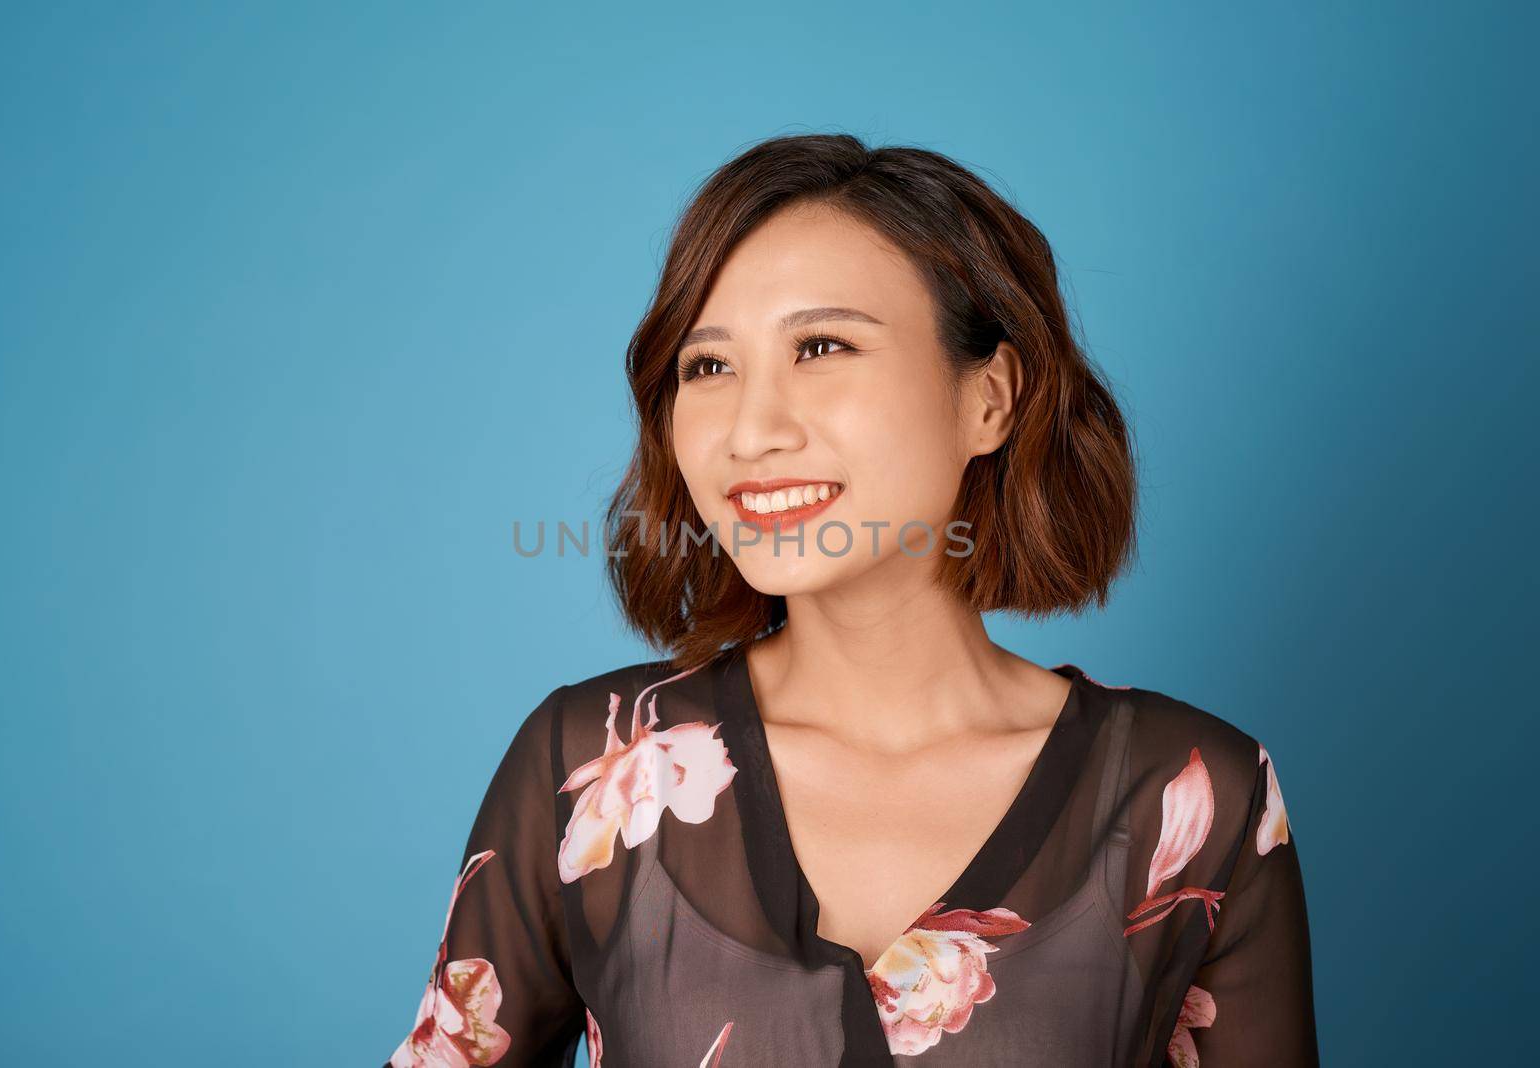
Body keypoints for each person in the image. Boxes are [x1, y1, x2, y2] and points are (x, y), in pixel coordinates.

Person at [383, 133, 1318, 1067]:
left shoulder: (1195, 798)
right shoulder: (588, 768)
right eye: (708, 367)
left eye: (822, 347)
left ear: (990, 398)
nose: (751, 431)